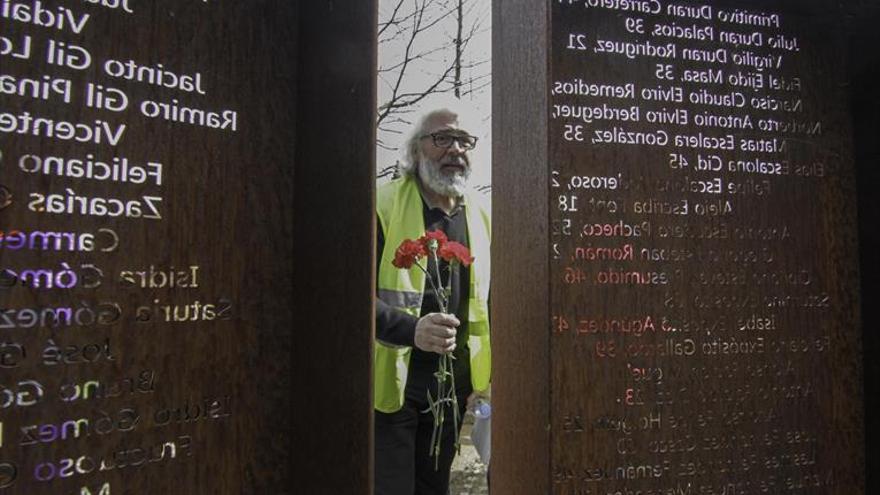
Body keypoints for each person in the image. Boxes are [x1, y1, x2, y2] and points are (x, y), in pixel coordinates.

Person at [374, 100, 491, 495]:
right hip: (391, 387)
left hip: (452, 390)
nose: (455, 148)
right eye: (442, 137)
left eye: (463, 140)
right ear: (415, 149)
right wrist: (411, 329)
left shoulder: (482, 215)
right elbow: (343, 297)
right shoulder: (381, 204)